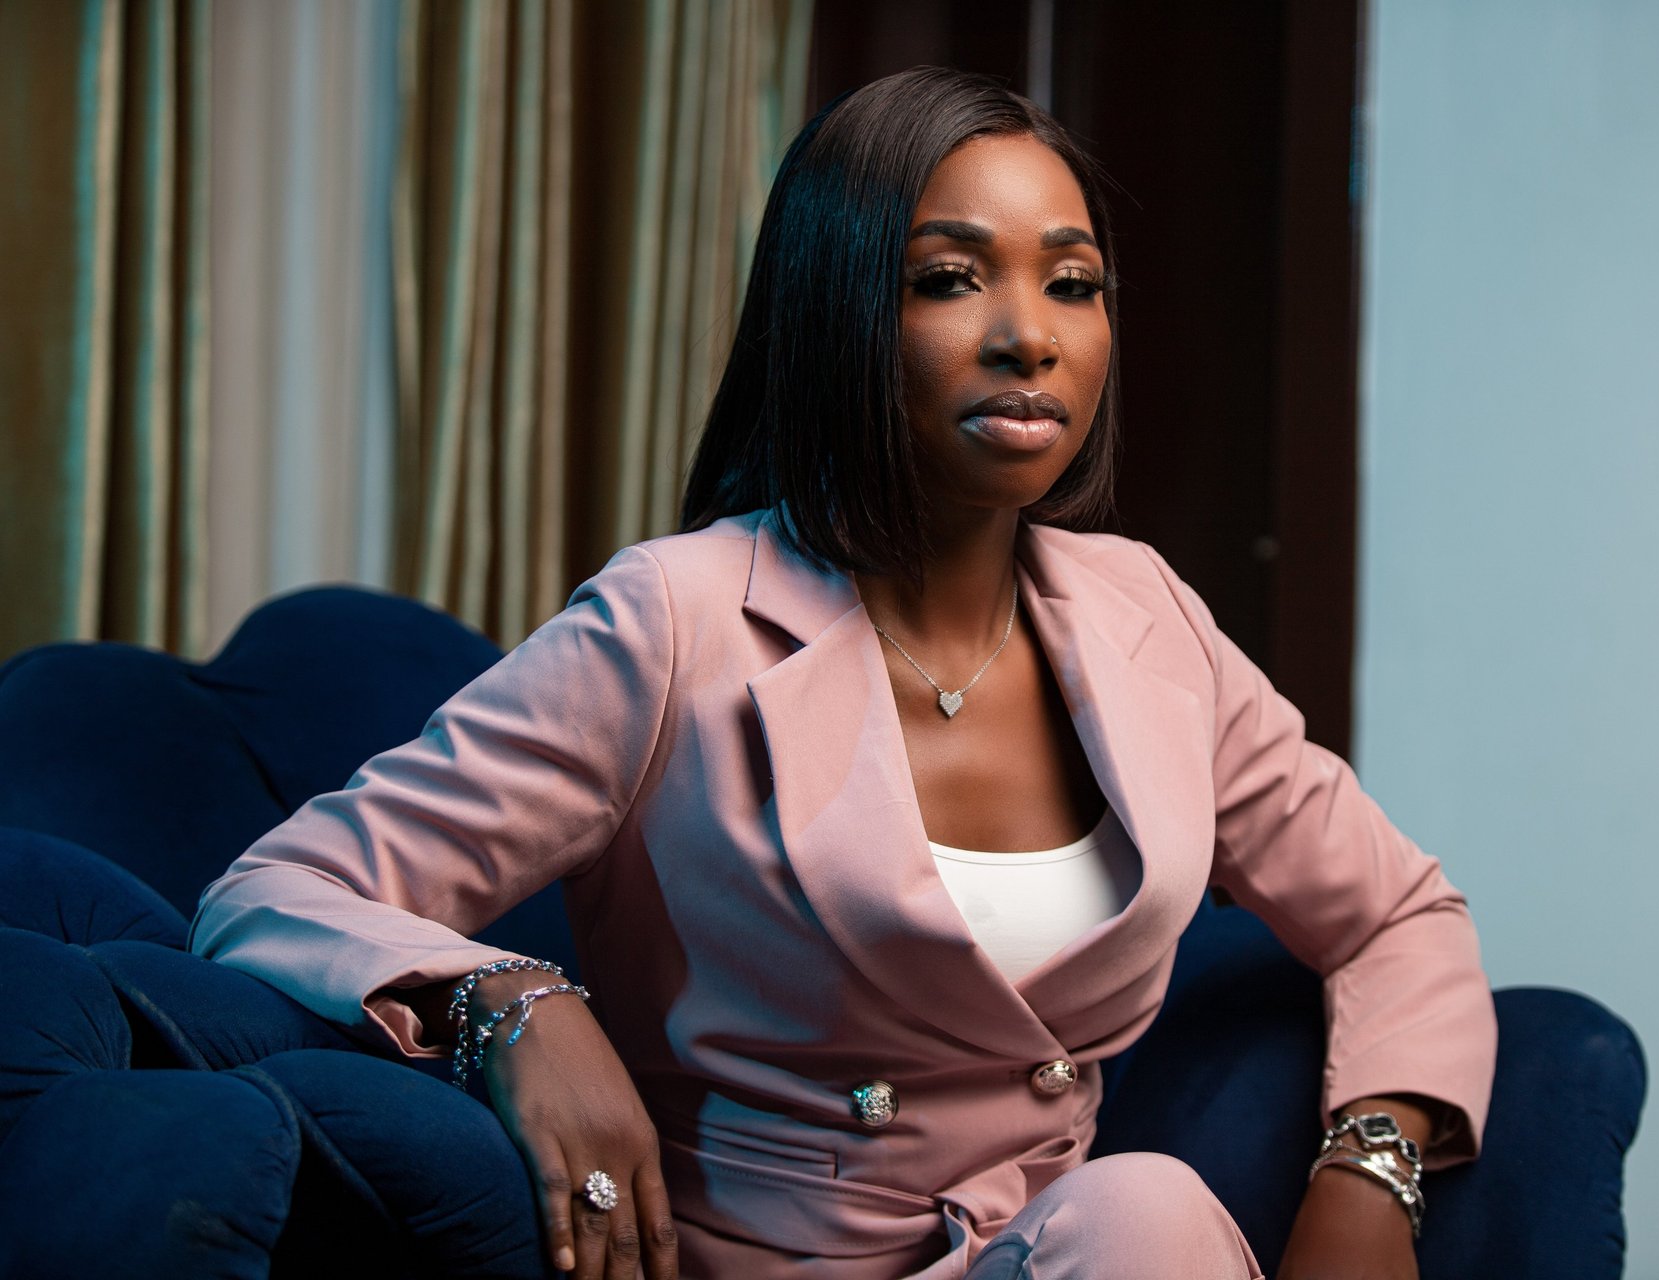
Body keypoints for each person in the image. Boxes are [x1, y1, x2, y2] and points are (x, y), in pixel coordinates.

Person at [191, 67, 1496, 1280]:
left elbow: (1400, 913)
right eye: (949, 278)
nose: (1027, 337)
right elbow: (273, 893)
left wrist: (1372, 1166)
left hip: (1057, 1252)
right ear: (841, 309)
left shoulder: (1144, 614)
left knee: (1138, 1208)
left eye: (1073, 282)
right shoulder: (676, 620)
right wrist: (511, 1000)